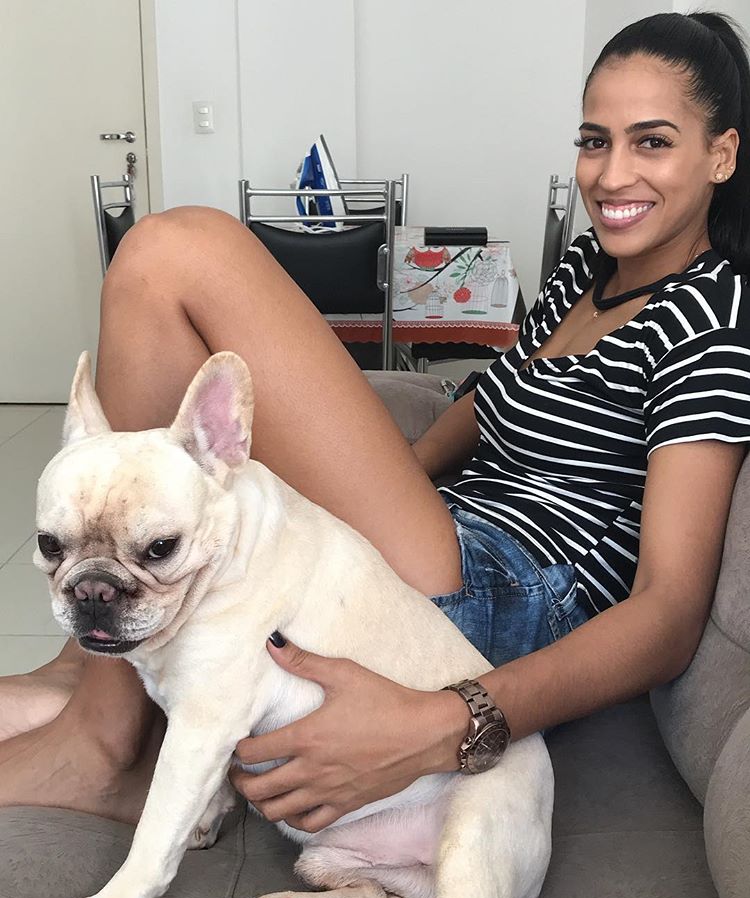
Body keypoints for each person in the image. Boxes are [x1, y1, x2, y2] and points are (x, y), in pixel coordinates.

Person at [0, 10, 748, 835]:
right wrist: (385, 471)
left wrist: (456, 717)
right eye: (594, 141)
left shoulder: (712, 320)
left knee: (170, 252)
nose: (610, 175)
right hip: (446, 529)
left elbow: (670, 613)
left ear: (722, 154)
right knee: (176, 370)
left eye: (652, 142)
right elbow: (489, 400)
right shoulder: (587, 268)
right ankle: (87, 681)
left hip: (499, 598)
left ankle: (104, 742)